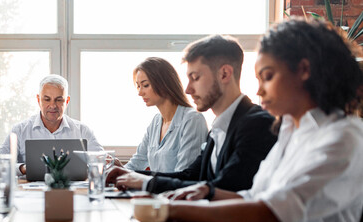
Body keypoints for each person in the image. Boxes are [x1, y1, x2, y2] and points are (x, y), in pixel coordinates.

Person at [165, 18, 363, 222]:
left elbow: (271, 214)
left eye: (268, 77)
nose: (258, 91)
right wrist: (210, 191)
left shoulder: (343, 136)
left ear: (304, 70)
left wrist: (167, 210)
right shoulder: (290, 131)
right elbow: (255, 196)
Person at [106, 35, 277, 194]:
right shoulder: (218, 129)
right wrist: (133, 176)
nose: (188, 89)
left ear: (224, 74)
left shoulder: (257, 124)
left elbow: (224, 188)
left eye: (195, 78)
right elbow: (190, 176)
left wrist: (146, 183)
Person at [0, 74, 103, 175]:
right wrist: (22, 168)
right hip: (30, 192)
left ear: (67, 101)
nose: (52, 105)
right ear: (38, 100)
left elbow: (102, 161)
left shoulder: (83, 131)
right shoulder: (19, 130)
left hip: (73, 191)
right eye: (47, 99)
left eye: (59, 100)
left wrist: (104, 163)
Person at [121, 57, 208, 172]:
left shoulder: (193, 120)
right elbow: (136, 163)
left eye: (145, 85)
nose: (140, 93)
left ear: (163, 84)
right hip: (156, 189)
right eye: (138, 86)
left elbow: (184, 175)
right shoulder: (156, 122)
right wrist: (116, 173)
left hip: (175, 189)